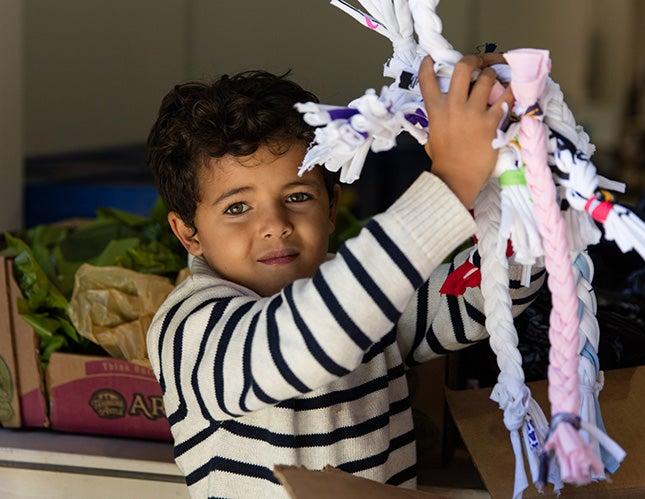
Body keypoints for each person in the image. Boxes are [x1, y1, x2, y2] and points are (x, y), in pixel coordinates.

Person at [146, 54, 543, 498]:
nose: (274, 223)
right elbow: (302, 342)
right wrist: (450, 183)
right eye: (237, 208)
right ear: (189, 233)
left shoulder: (368, 295)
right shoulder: (188, 327)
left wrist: (528, 199)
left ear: (332, 208)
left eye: (297, 196)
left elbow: (482, 299)